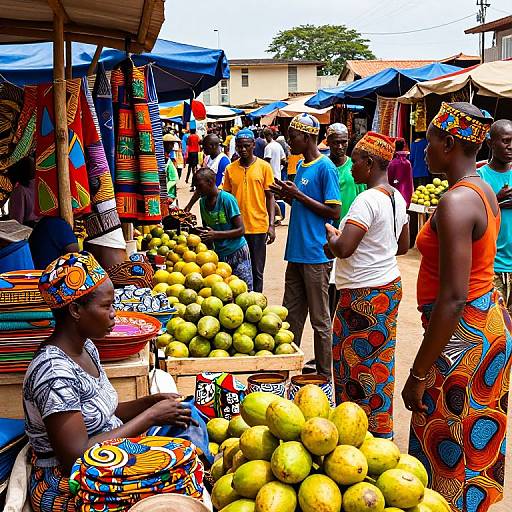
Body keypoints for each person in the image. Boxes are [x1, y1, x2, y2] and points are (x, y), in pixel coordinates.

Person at [23, 252, 203, 512]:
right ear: (75, 309)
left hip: (107, 457)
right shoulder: (54, 373)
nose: (114, 315)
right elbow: (75, 457)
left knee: (187, 433)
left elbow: (104, 413)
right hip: (70, 482)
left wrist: (149, 403)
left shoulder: (86, 348)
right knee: (177, 488)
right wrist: (151, 416)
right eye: (107, 306)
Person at [401, 102, 510, 511]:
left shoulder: (456, 202)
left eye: (427, 142)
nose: (422, 150)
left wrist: (418, 372)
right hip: (483, 323)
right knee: (472, 433)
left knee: (451, 439)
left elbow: (453, 297)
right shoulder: (481, 188)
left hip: (462, 333)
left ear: (447, 143)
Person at [325, 132, 409, 438]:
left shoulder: (366, 200)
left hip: (363, 295)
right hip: (387, 287)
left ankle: (355, 437)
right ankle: (381, 433)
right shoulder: (396, 197)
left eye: (356, 160)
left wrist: (332, 236)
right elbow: (403, 245)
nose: (352, 167)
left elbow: (344, 248)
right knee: (379, 366)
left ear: (370, 163)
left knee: (353, 369)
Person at [270, 114, 340, 378]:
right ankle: (289, 370)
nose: (290, 143)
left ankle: (324, 376)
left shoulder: (326, 168)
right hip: (296, 253)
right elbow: (305, 206)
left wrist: (297, 195)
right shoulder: (300, 166)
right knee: (291, 318)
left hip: (316, 254)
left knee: (320, 321)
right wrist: (288, 197)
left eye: (293, 138)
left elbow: (333, 211)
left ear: (308, 137)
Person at [222, 129, 275, 292]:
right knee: (237, 271)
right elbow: (226, 197)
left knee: (257, 271)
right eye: (239, 146)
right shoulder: (231, 169)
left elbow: (270, 197)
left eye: (246, 146)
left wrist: (271, 225)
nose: (243, 149)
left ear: (253, 145)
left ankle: (257, 301)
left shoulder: (264, 167)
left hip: (258, 227)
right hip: (237, 228)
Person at [325, 123, 366, 318]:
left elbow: (363, 196)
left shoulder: (354, 168)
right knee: (329, 285)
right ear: (328, 142)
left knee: (347, 282)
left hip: (351, 233)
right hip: (327, 232)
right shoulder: (324, 166)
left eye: (344, 142)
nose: (340, 147)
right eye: (336, 143)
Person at [194, 167, 253, 289]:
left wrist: (215, 235)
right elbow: (208, 229)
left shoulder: (227, 199)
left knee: (242, 289)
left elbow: (241, 230)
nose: (197, 190)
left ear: (210, 182)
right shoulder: (202, 202)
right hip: (219, 254)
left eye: (199, 186)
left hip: (236, 251)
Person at [478, 119, 512, 310]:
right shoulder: (480, 177)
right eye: (506, 141)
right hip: (492, 267)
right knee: (496, 327)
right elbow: (473, 219)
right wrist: (496, 201)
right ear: (490, 143)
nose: (511, 146)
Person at [7, 156, 40, 227]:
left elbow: (16, 220)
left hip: (27, 230)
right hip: (41, 227)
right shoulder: (40, 185)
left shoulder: (20, 190)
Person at [388, 138, 414, 206]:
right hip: (406, 193)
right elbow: (410, 180)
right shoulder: (408, 163)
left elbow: (390, 179)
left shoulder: (392, 163)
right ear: (403, 147)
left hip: (395, 192)